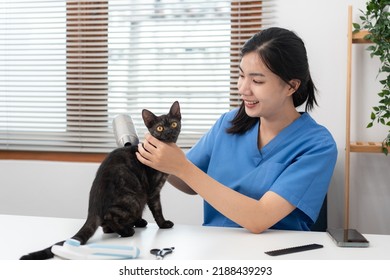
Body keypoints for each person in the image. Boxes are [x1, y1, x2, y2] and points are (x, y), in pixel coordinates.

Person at [136, 27, 338, 234]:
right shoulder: (228, 122)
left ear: (291, 86)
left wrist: (181, 166)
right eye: (241, 76)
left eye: (257, 81)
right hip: (218, 250)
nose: (243, 88)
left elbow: (259, 218)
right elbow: (188, 183)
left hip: (276, 256)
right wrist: (155, 157)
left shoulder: (317, 145)